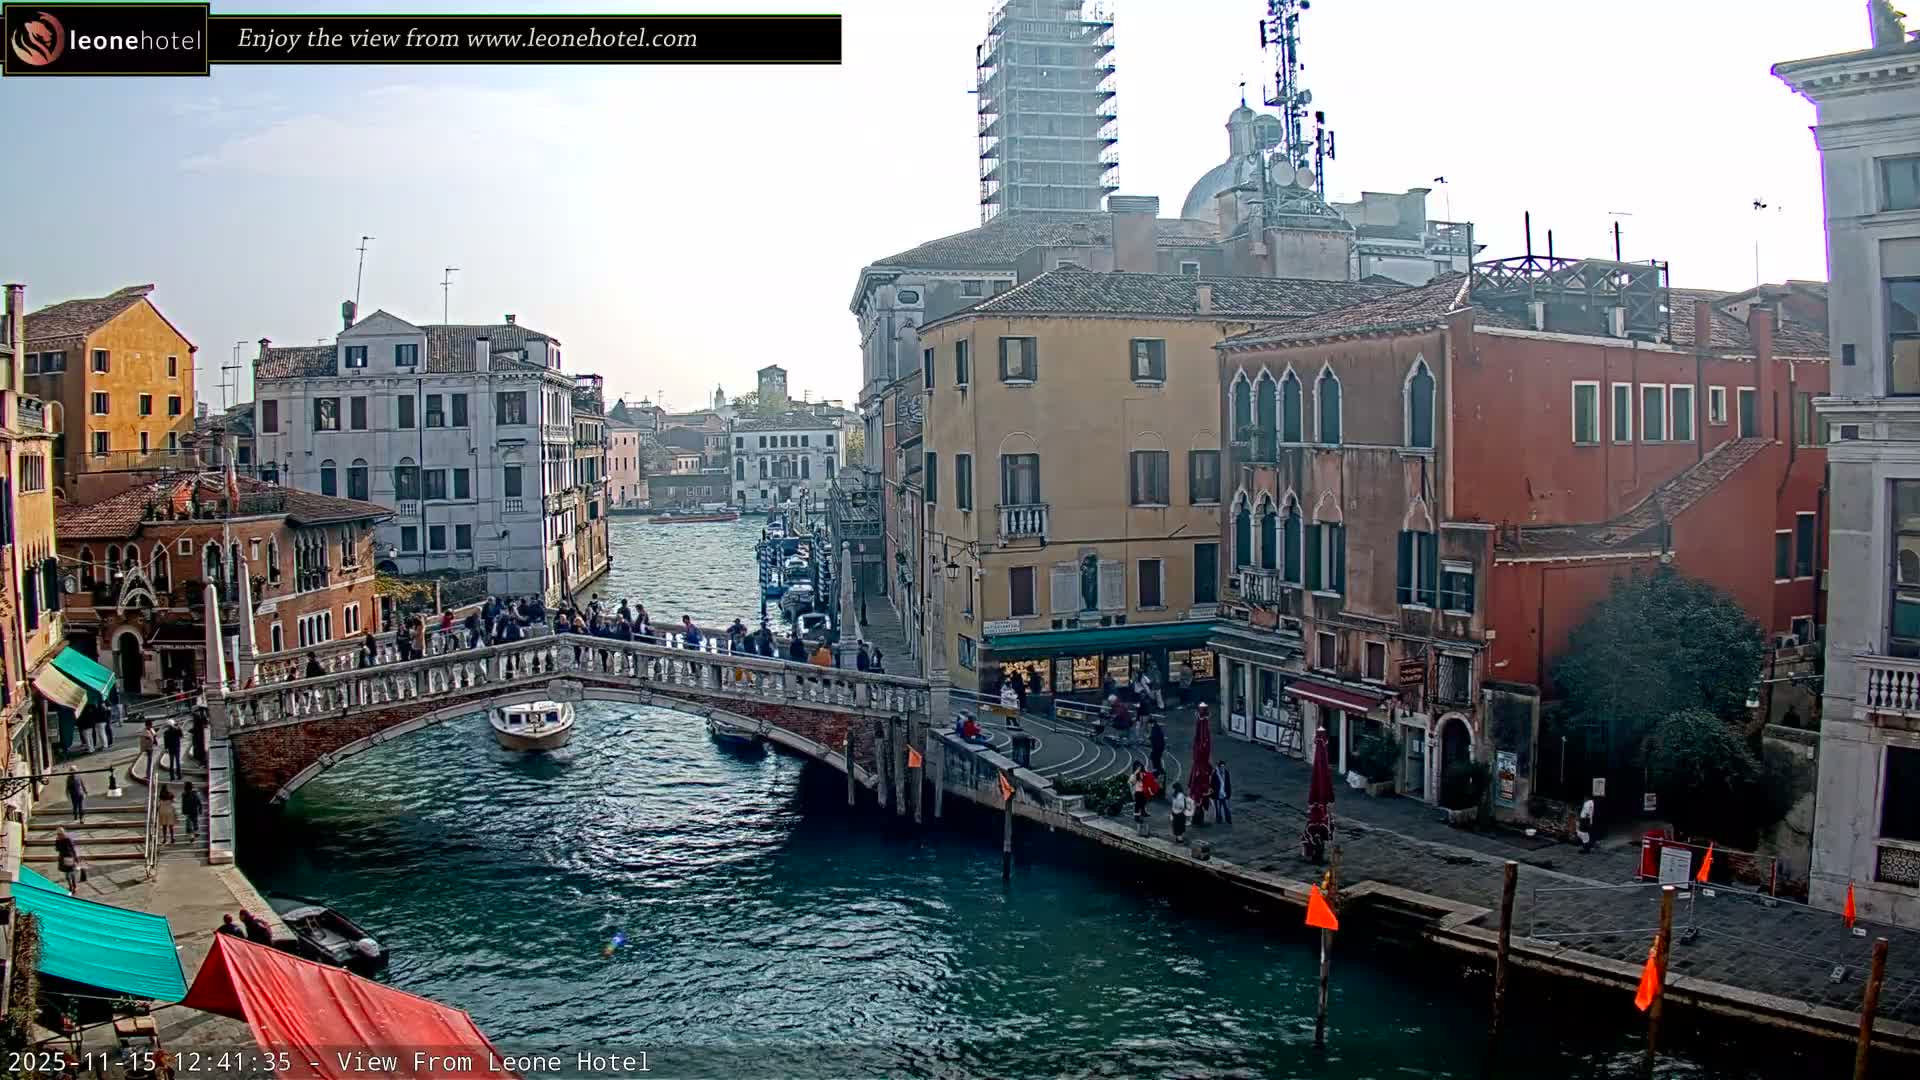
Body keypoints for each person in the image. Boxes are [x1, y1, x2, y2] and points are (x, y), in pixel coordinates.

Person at [54, 828, 81, 892]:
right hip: (63, 858)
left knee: (70, 873)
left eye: (60, 834)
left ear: (63, 833)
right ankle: (71, 886)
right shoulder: (58, 840)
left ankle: (73, 887)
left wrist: (76, 858)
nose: (59, 835)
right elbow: (57, 849)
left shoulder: (68, 839)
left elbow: (73, 849)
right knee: (68, 873)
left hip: (69, 857)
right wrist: (57, 842)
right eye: (58, 834)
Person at [1212, 759, 1232, 824]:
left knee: (1227, 811)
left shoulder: (1226, 773)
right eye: (1221, 767)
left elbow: (1228, 784)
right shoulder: (1215, 774)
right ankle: (1218, 823)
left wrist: (1228, 794)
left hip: (1225, 796)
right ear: (1219, 767)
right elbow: (1212, 785)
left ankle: (1229, 822)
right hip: (1217, 796)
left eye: (1224, 766)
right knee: (1218, 811)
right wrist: (1213, 795)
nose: (1222, 768)